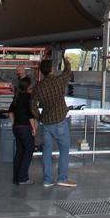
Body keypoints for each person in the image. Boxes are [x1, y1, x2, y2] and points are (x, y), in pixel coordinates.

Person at [32, 57, 76, 188]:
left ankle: (47, 180)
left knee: (46, 151)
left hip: (46, 123)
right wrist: (66, 60)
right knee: (64, 149)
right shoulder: (58, 81)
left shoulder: (38, 87)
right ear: (51, 70)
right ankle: (62, 178)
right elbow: (67, 72)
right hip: (59, 121)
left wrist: (39, 117)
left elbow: (32, 105)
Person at [10, 77, 37, 185]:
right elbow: (30, 115)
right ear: (28, 86)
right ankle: (23, 178)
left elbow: (10, 112)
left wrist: (14, 123)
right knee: (28, 151)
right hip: (26, 127)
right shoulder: (28, 97)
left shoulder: (16, 97)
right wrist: (34, 128)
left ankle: (16, 177)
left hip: (17, 127)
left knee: (20, 151)